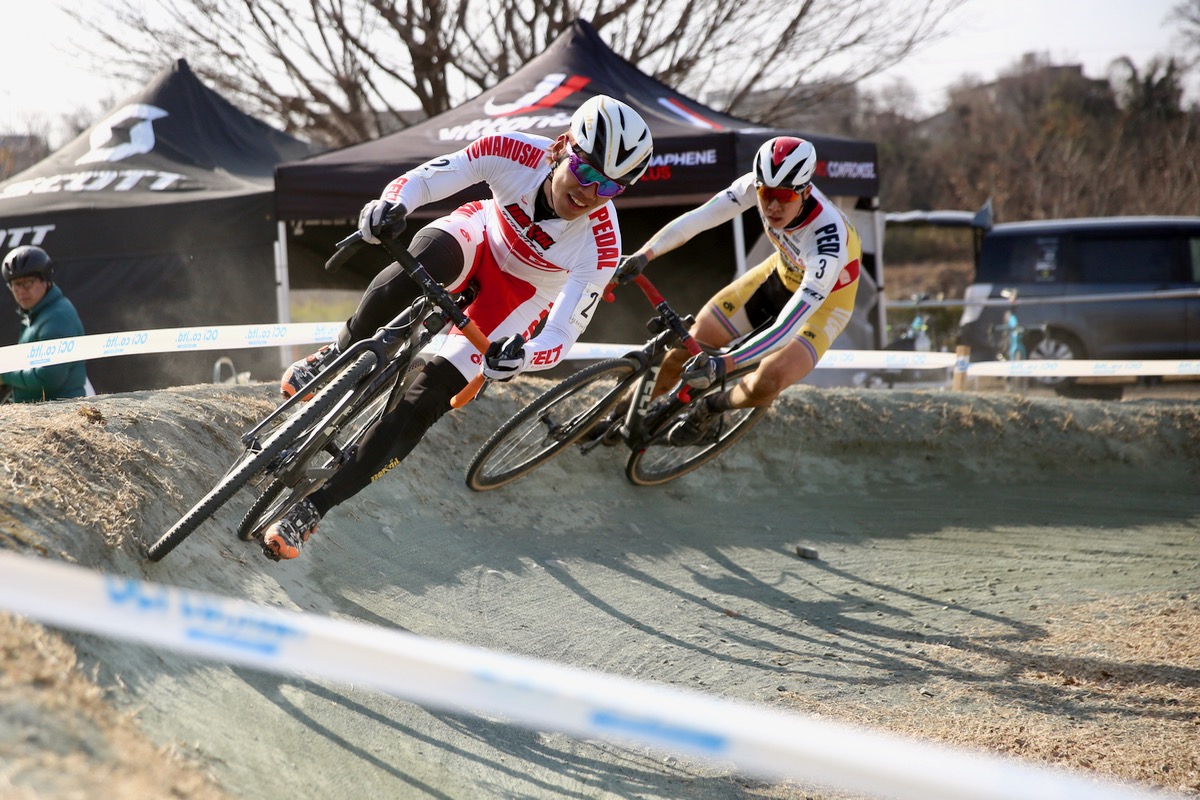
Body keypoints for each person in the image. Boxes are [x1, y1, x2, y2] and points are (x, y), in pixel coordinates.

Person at [262, 94, 654, 560]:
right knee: (417, 267)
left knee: (421, 404)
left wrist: (522, 356)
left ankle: (313, 509)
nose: (590, 193)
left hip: (517, 299)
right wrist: (392, 205)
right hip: (477, 239)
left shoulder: (601, 244)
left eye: (609, 189)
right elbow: (428, 180)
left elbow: (564, 333)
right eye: (587, 172)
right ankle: (337, 352)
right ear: (563, 145)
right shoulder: (514, 152)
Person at [614, 136, 862, 445]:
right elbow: (700, 218)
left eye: (783, 196)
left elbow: (788, 326)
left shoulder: (828, 240)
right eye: (766, 193)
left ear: (806, 191)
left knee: (770, 378)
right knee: (686, 347)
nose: (772, 205)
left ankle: (711, 407)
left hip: (823, 305)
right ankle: (620, 413)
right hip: (778, 276)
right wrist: (645, 254)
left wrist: (727, 363)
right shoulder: (754, 186)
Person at [0, 246, 89, 403]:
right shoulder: (39, 312)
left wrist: (5, 375)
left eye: (27, 283)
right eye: (15, 285)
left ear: (46, 280)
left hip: (59, 414)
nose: (21, 291)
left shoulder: (56, 317)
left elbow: (49, 378)